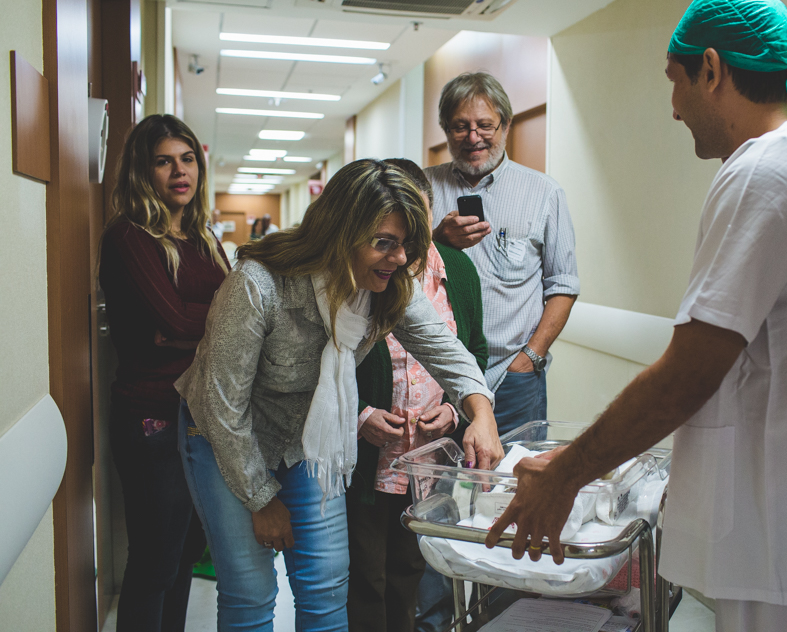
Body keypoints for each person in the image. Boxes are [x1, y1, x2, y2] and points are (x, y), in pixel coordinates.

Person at [485, 0, 787, 631]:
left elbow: (691, 371)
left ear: (711, 70)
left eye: (675, 82)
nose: (673, 108)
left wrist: (566, 473)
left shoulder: (769, 169)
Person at [174, 158, 502, 631]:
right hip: (224, 438)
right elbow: (222, 407)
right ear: (340, 232)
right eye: (383, 243)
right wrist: (261, 500)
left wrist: (481, 414)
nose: (397, 258)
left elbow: (446, 350)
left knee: (328, 588)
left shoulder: (387, 287)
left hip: (308, 440)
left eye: (406, 244)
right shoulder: (257, 285)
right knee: (251, 592)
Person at [98, 114, 230, 632]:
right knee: (155, 562)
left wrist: (180, 328)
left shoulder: (201, 235)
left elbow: (224, 317)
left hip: (200, 415)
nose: (180, 171)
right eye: (163, 161)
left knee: (183, 561)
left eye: (187, 159)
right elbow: (172, 318)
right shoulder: (130, 237)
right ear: (143, 171)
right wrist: (195, 321)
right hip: (151, 416)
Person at [347, 158, 488, 632]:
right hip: (369, 454)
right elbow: (330, 366)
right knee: (366, 573)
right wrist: (360, 415)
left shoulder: (460, 271)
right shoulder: (369, 271)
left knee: (411, 567)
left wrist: (456, 411)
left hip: (428, 454)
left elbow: (469, 352)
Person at [426, 72, 579, 437]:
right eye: (460, 126)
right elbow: (391, 265)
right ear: (445, 130)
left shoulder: (544, 193)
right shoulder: (421, 188)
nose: (473, 137)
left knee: (513, 484)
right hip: (435, 374)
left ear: (507, 125)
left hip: (513, 377)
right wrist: (436, 240)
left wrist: (531, 358)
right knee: (432, 485)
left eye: (485, 125)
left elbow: (564, 284)